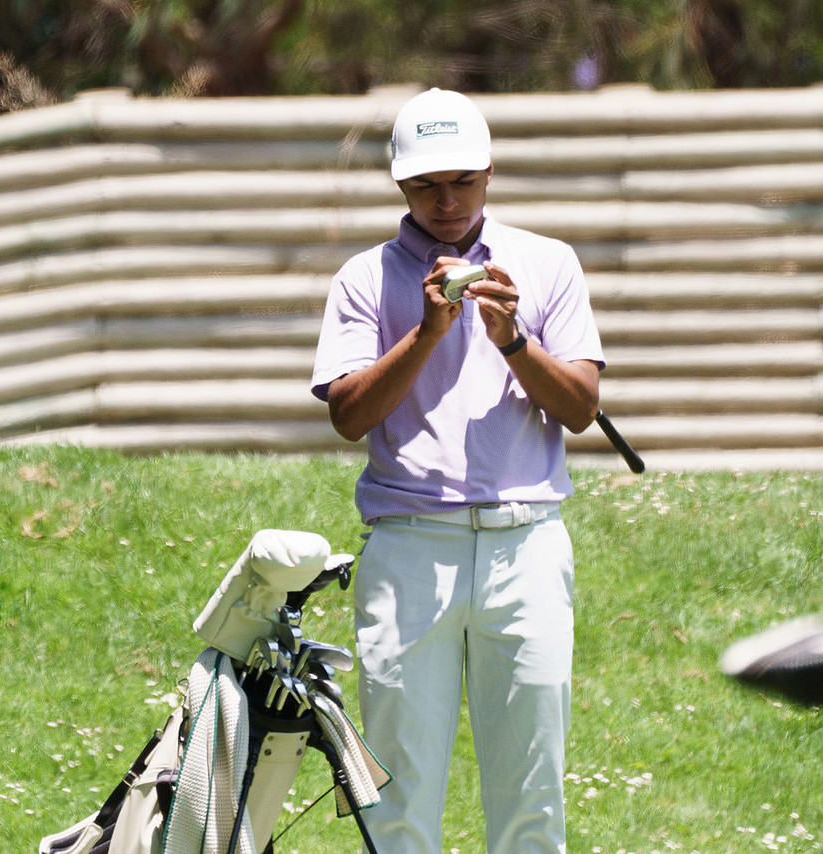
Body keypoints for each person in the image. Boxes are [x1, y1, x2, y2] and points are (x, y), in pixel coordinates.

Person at [310, 87, 605, 854]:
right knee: (399, 796)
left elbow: (579, 408)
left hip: (525, 543)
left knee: (532, 796)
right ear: (401, 185)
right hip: (410, 545)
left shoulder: (547, 263)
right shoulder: (365, 278)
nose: (446, 202)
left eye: (463, 182)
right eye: (426, 186)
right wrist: (427, 332)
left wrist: (513, 341)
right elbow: (348, 416)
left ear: (489, 173)